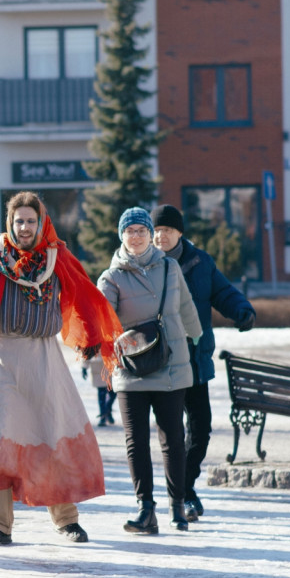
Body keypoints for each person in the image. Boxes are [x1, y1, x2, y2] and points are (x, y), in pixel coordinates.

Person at [0, 191, 122, 545]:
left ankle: (67, 520)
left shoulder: (55, 257)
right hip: (0, 356)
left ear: (41, 223)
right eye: (19, 221)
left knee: (51, 433)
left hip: (44, 356)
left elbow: (84, 292)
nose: (25, 227)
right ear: (9, 223)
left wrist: (92, 334)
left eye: (31, 221)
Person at [98, 207, 202, 533]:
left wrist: (197, 340)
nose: (137, 236)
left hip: (171, 366)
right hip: (131, 369)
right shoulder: (111, 277)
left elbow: (186, 307)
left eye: (142, 230)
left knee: (172, 437)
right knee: (136, 441)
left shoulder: (171, 268)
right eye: (130, 231)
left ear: (149, 234)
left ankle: (178, 506)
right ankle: (146, 509)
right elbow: (101, 319)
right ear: (122, 236)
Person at [150, 204, 255, 521]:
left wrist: (242, 311)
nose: (160, 236)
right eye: (156, 231)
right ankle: (180, 496)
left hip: (194, 362)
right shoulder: (147, 264)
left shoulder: (199, 262)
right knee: (171, 434)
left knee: (200, 430)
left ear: (179, 233)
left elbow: (223, 292)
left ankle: (183, 488)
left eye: (166, 230)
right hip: (160, 363)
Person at [82, 352, 116, 427]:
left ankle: (107, 409)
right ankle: (103, 416)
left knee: (113, 393)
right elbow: (87, 351)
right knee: (102, 393)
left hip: (110, 367)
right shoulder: (91, 340)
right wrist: (84, 367)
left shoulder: (112, 339)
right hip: (98, 369)